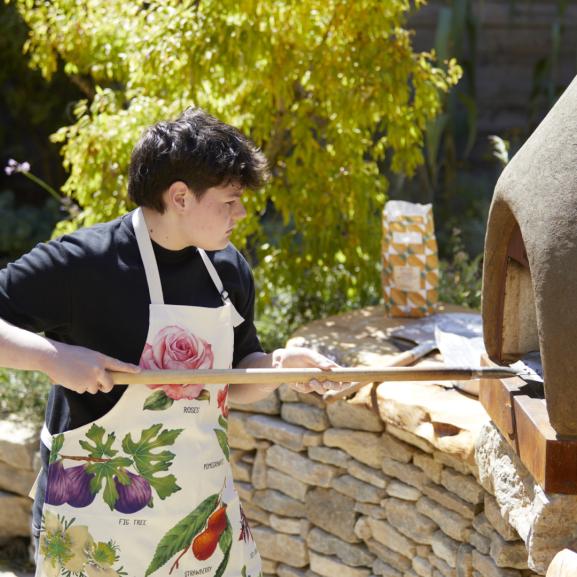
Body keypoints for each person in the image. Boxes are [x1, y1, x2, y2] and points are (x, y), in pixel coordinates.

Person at [0, 108, 343, 577]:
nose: (240, 212)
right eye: (229, 200)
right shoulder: (84, 264)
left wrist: (281, 368)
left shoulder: (227, 270)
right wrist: (53, 357)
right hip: (96, 527)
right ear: (180, 196)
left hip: (201, 522)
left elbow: (237, 375)